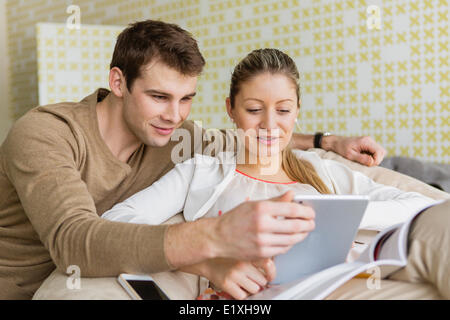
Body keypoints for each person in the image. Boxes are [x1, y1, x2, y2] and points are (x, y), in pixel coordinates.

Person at [0, 20, 387, 300]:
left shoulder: (173, 136)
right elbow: (73, 242)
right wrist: (209, 245)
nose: (174, 114)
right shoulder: (44, 133)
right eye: (159, 97)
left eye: (186, 99)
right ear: (118, 83)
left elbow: (250, 135)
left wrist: (328, 140)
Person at [101, 48, 443, 300]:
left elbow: (419, 204)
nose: (269, 124)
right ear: (231, 110)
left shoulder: (321, 170)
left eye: (282, 110)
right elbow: (116, 222)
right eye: (253, 110)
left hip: (356, 278)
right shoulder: (202, 173)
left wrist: (333, 212)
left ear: (296, 113)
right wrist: (208, 256)